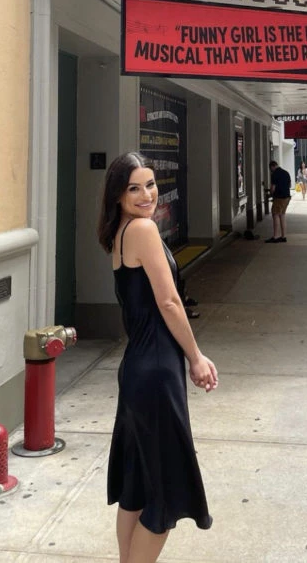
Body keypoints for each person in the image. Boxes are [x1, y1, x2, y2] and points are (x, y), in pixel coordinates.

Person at [98, 152, 217, 563]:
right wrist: (196, 356)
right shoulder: (144, 230)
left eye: (150, 184)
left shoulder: (120, 233)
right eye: (134, 187)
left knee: (136, 488)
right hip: (156, 371)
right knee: (164, 496)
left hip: (137, 370)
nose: (147, 194)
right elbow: (168, 302)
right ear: (117, 194)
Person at [267, 159, 291, 243]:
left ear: (272, 167)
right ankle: (283, 236)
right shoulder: (286, 173)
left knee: (275, 214)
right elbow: (289, 185)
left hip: (279, 198)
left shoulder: (275, 174)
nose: (271, 171)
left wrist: (270, 194)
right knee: (282, 215)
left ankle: (276, 236)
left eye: (271, 169)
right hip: (287, 197)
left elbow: (273, 188)